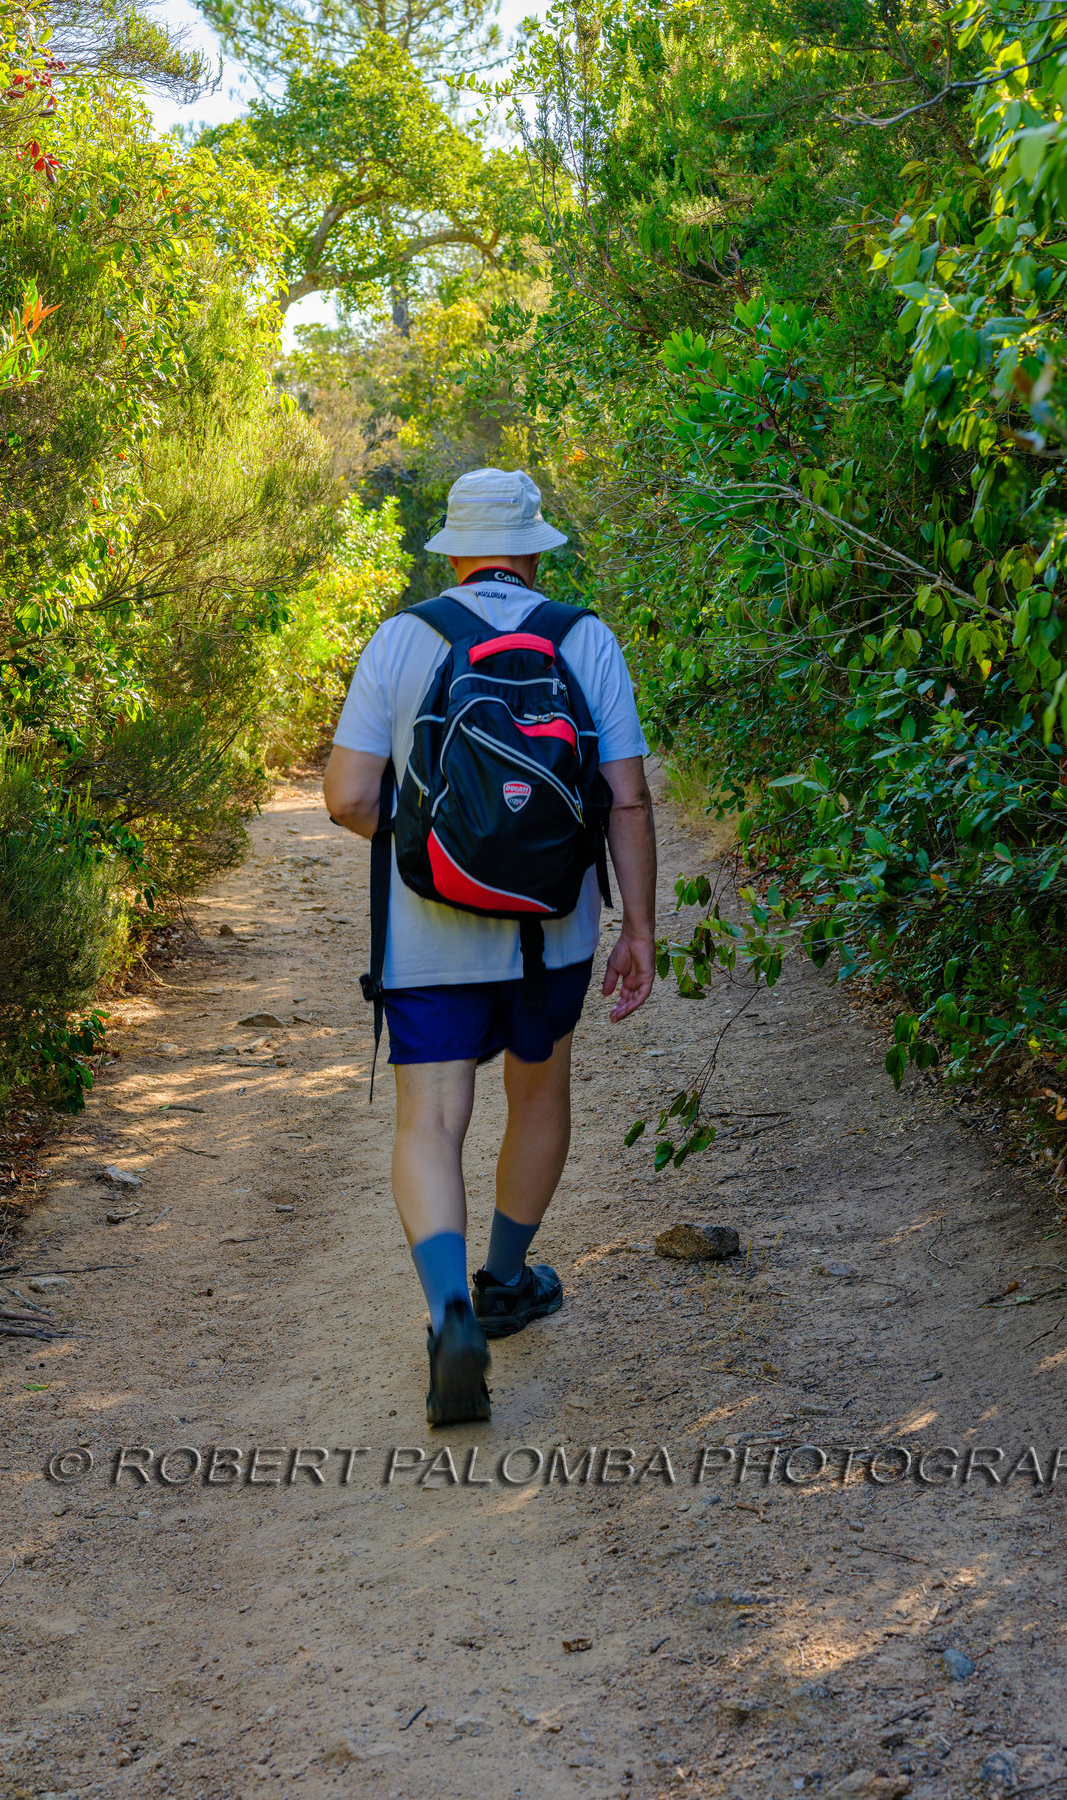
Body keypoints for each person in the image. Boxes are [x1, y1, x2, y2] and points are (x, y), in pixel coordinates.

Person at [323, 467, 656, 1426]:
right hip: (551, 932)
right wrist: (637, 926)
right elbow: (625, 797)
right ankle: (507, 1278)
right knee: (539, 1092)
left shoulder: (403, 639)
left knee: (430, 1119)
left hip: (429, 937)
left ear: (454, 551)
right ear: (535, 547)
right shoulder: (582, 637)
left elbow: (348, 798)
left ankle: (450, 1310)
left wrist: (436, 835)